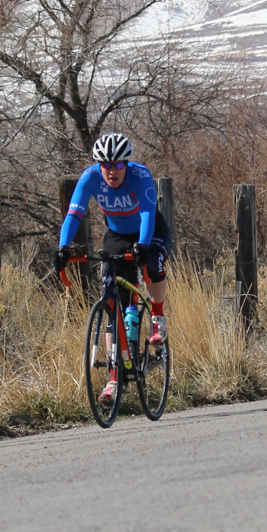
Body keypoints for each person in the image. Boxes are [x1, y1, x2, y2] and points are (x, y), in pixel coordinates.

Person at [55, 133, 171, 406]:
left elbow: (146, 214)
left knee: (152, 264)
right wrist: (62, 247)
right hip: (117, 235)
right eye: (106, 165)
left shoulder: (140, 176)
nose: (112, 171)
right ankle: (113, 378)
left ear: (127, 164)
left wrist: (142, 244)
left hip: (149, 230)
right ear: (98, 165)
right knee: (112, 301)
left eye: (119, 165)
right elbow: (74, 214)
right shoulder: (90, 178)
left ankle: (157, 317)